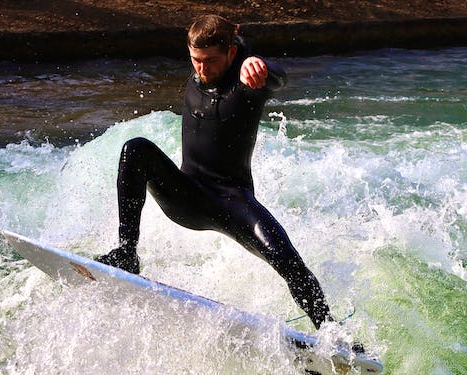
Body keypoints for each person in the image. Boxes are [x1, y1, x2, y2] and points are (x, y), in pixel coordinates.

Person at [96, 14, 334, 329]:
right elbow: (213, 51)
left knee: (285, 256)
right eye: (196, 60)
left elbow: (279, 77)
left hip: (231, 201)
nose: (203, 69)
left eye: (210, 61)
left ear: (231, 54)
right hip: (186, 196)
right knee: (136, 149)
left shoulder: (247, 82)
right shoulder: (200, 71)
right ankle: (127, 252)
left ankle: (331, 330)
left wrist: (259, 67)